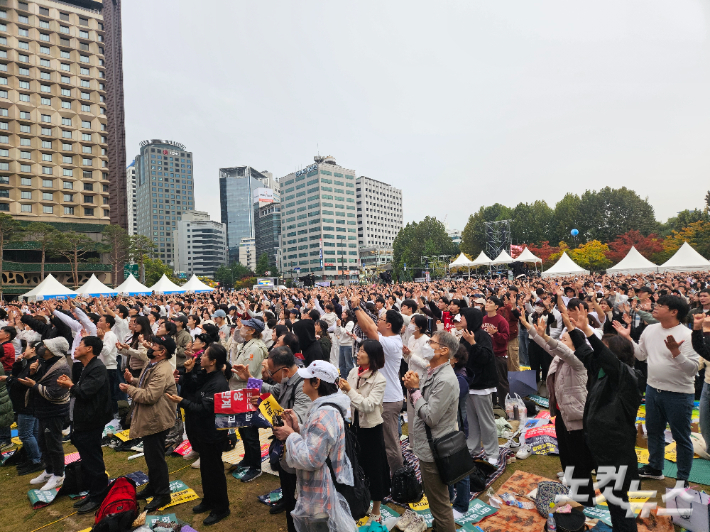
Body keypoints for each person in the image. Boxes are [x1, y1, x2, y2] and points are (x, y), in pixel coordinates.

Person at [616, 295, 698, 484]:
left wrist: (675, 352)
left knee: (681, 437)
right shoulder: (650, 329)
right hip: (653, 390)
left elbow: (692, 369)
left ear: (674, 312)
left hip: (679, 394)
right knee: (654, 431)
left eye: (660, 305)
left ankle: (683, 477)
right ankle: (655, 468)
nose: (655, 307)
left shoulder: (687, 336)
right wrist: (628, 338)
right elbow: (642, 356)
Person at [570, 317, 641, 532]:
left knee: (618, 499)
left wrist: (588, 331)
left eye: (605, 348)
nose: (598, 351)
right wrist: (573, 328)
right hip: (600, 445)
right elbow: (584, 352)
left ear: (615, 354)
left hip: (614, 449)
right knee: (612, 496)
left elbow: (604, 356)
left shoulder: (626, 376)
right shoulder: (603, 372)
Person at [520, 310, 595, 505]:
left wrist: (547, 336)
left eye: (565, 339)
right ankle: (574, 491)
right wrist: (531, 329)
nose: (560, 341)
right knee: (566, 456)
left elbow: (560, 349)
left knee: (580, 461)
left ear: (576, 346)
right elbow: (548, 346)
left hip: (576, 417)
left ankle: (585, 500)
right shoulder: (560, 357)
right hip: (563, 414)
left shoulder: (579, 360)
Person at [233, 346, 312, 532]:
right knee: (286, 480)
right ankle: (287, 502)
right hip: (284, 447)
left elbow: (296, 420)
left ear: (284, 370)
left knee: (298, 490)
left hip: (297, 445)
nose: (268, 374)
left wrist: (265, 407)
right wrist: (250, 380)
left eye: (271, 371)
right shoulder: (285, 381)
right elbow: (271, 390)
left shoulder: (303, 386)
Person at [273, 360, 357, 532]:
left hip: (321, 498)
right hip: (321, 491)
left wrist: (291, 435)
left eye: (306, 379)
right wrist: (298, 428)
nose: (302, 382)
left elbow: (311, 458)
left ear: (316, 382)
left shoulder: (323, 413)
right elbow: (318, 440)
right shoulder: (324, 407)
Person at [166, 344, 231, 526]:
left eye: (204, 355)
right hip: (201, 431)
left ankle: (221, 507)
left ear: (213, 361)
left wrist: (181, 401)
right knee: (206, 470)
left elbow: (203, 408)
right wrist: (187, 372)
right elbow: (192, 389)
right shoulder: (206, 375)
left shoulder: (218, 382)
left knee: (215, 471)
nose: (199, 357)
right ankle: (209, 500)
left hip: (212, 434)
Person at [403, 331, 459, 532]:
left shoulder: (445, 379)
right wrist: (413, 387)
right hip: (427, 446)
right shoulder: (432, 371)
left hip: (435, 448)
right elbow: (422, 403)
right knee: (435, 498)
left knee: (440, 503)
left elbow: (430, 417)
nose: (426, 344)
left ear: (444, 350)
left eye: (431, 342)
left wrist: (415, 390)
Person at [119, 336, 178, 511]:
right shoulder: (152, 363)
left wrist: (129, 389)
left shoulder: (163, 369)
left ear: (163, 352)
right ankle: (153, 487)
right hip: (151, 416)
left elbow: (150, 396)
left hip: (156, 418)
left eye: (155, 346)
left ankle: (163, 494)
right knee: (151, 456)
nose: (150, 347)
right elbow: (146, 385)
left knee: (156, 458)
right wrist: (133, 381)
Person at [350, 294, 405, 476]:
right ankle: (385, 472)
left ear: (388, 325)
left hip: (388, 399)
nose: (377, 321)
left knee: (390, 442)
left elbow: (368, 330)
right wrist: (359, 306)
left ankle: (398, 478)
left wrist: (357, 309)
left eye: (381, 319)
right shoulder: (389, 338)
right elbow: (372, 326)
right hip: (385, 396)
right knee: (383, 441)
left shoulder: (390, 343)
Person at [57, 336, 112, 514]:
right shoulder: (88, 367)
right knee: (87, 459)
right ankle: (93, 491)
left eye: (80, 345)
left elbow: (85, 392)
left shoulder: (98, 368)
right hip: (83, 421)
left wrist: (70, 385)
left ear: (89, 349)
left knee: (93, 459)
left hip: (91, 422)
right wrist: (72, 384)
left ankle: (99, 495)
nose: (76, 348)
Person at [338, 340, 390, 524]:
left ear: (372, 357)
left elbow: (368, 406)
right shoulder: (354, 372)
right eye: (358, 350)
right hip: (354, 428)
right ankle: (361, 500)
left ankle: (376, 509)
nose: (358, 354)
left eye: (362, 351)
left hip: (371, 430)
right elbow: (346, 399)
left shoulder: (379, 380)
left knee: (375, 470)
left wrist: (349, 391)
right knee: (356, 466)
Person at [19, 337, 71, 491]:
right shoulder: (44, 362)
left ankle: (58, 474)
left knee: (53, 443)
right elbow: (40, 381)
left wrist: (34, 385)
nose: (41, 348)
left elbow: (55, 393)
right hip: (43, 409)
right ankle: (49, 470)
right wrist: (33, 373)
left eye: (45, 347)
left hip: (54, 410)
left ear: (53, 350)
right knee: (42, 441)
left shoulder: (61, 368)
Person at [229, 317, 268, 483]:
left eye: (245, 326)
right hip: (239, 392)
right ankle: (248, 458)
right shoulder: (245, 344)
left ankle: (255, 466)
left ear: (253, 330)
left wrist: (228, 371)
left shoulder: (256, 347)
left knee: (250, 431)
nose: (241, 328)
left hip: (249, 393)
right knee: (243, 429)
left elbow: (248, 373)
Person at [459, 307, 498, 462]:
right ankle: (472, 448)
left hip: (482, 385)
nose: (460, 319)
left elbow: (486, 358)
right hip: (468, 384)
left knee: (486, 421)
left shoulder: (482, 336)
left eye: (463, 316)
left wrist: (473, 343)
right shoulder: (464, 336)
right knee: (471, 420)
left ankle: (492, 453)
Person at [1, 341, 43, 475]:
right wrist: (18, 362)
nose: (25, 350)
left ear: (34, 349)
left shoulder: (34, 365)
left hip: (27, 404)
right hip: (27, 404)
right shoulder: (29, 362)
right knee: (33, 433)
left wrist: (8, 380)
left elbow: (21, 383)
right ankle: (35, 457)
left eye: (27, 348)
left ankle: (36, 460)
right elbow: (18, 375)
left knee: (25, 434)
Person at [402, 314, 431, 448]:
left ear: (420, 327)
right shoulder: (412, 338)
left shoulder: (426, 341)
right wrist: (407, 354)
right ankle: (412, 442)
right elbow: (408, 360)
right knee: (410, 412)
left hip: (421, 380)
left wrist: (411, 355)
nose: (410, 325)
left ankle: (421, 442)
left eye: (413, 323)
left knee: (419, 410)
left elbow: (426, 364)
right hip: (410, 376)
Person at [448, 345, 470, 519]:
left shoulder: (460, 379)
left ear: (455, 359)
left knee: (460, 470)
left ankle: (462, 505)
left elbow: (449, 401)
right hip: (447, 428)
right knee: (446, 466)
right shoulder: (449, 374)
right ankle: (449, 496)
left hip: (457, 429)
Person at [482, 297, 510, 406]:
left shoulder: (501, 321)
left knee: (501, 383)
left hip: (499, 356)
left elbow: (505, 339)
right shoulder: (483, 319)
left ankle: (504, 407)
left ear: (496, 306)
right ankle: (493, 406)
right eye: (487, 302)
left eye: (490, 302)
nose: (487, 304)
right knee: (489, 383)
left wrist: (495, 334)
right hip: (486, 356)